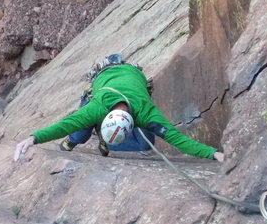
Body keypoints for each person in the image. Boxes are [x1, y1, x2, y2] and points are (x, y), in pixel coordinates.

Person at [14, 55, 224, 162]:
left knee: (145, 145)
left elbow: (179, 140)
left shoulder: (145, 112)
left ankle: (105, 139)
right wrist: (33, 138)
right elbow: (65, 124)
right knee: (79, 134)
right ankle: (77, 140)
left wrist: (214, 154)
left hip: (129, 73)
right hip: (104, 75)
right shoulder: (97, 107)